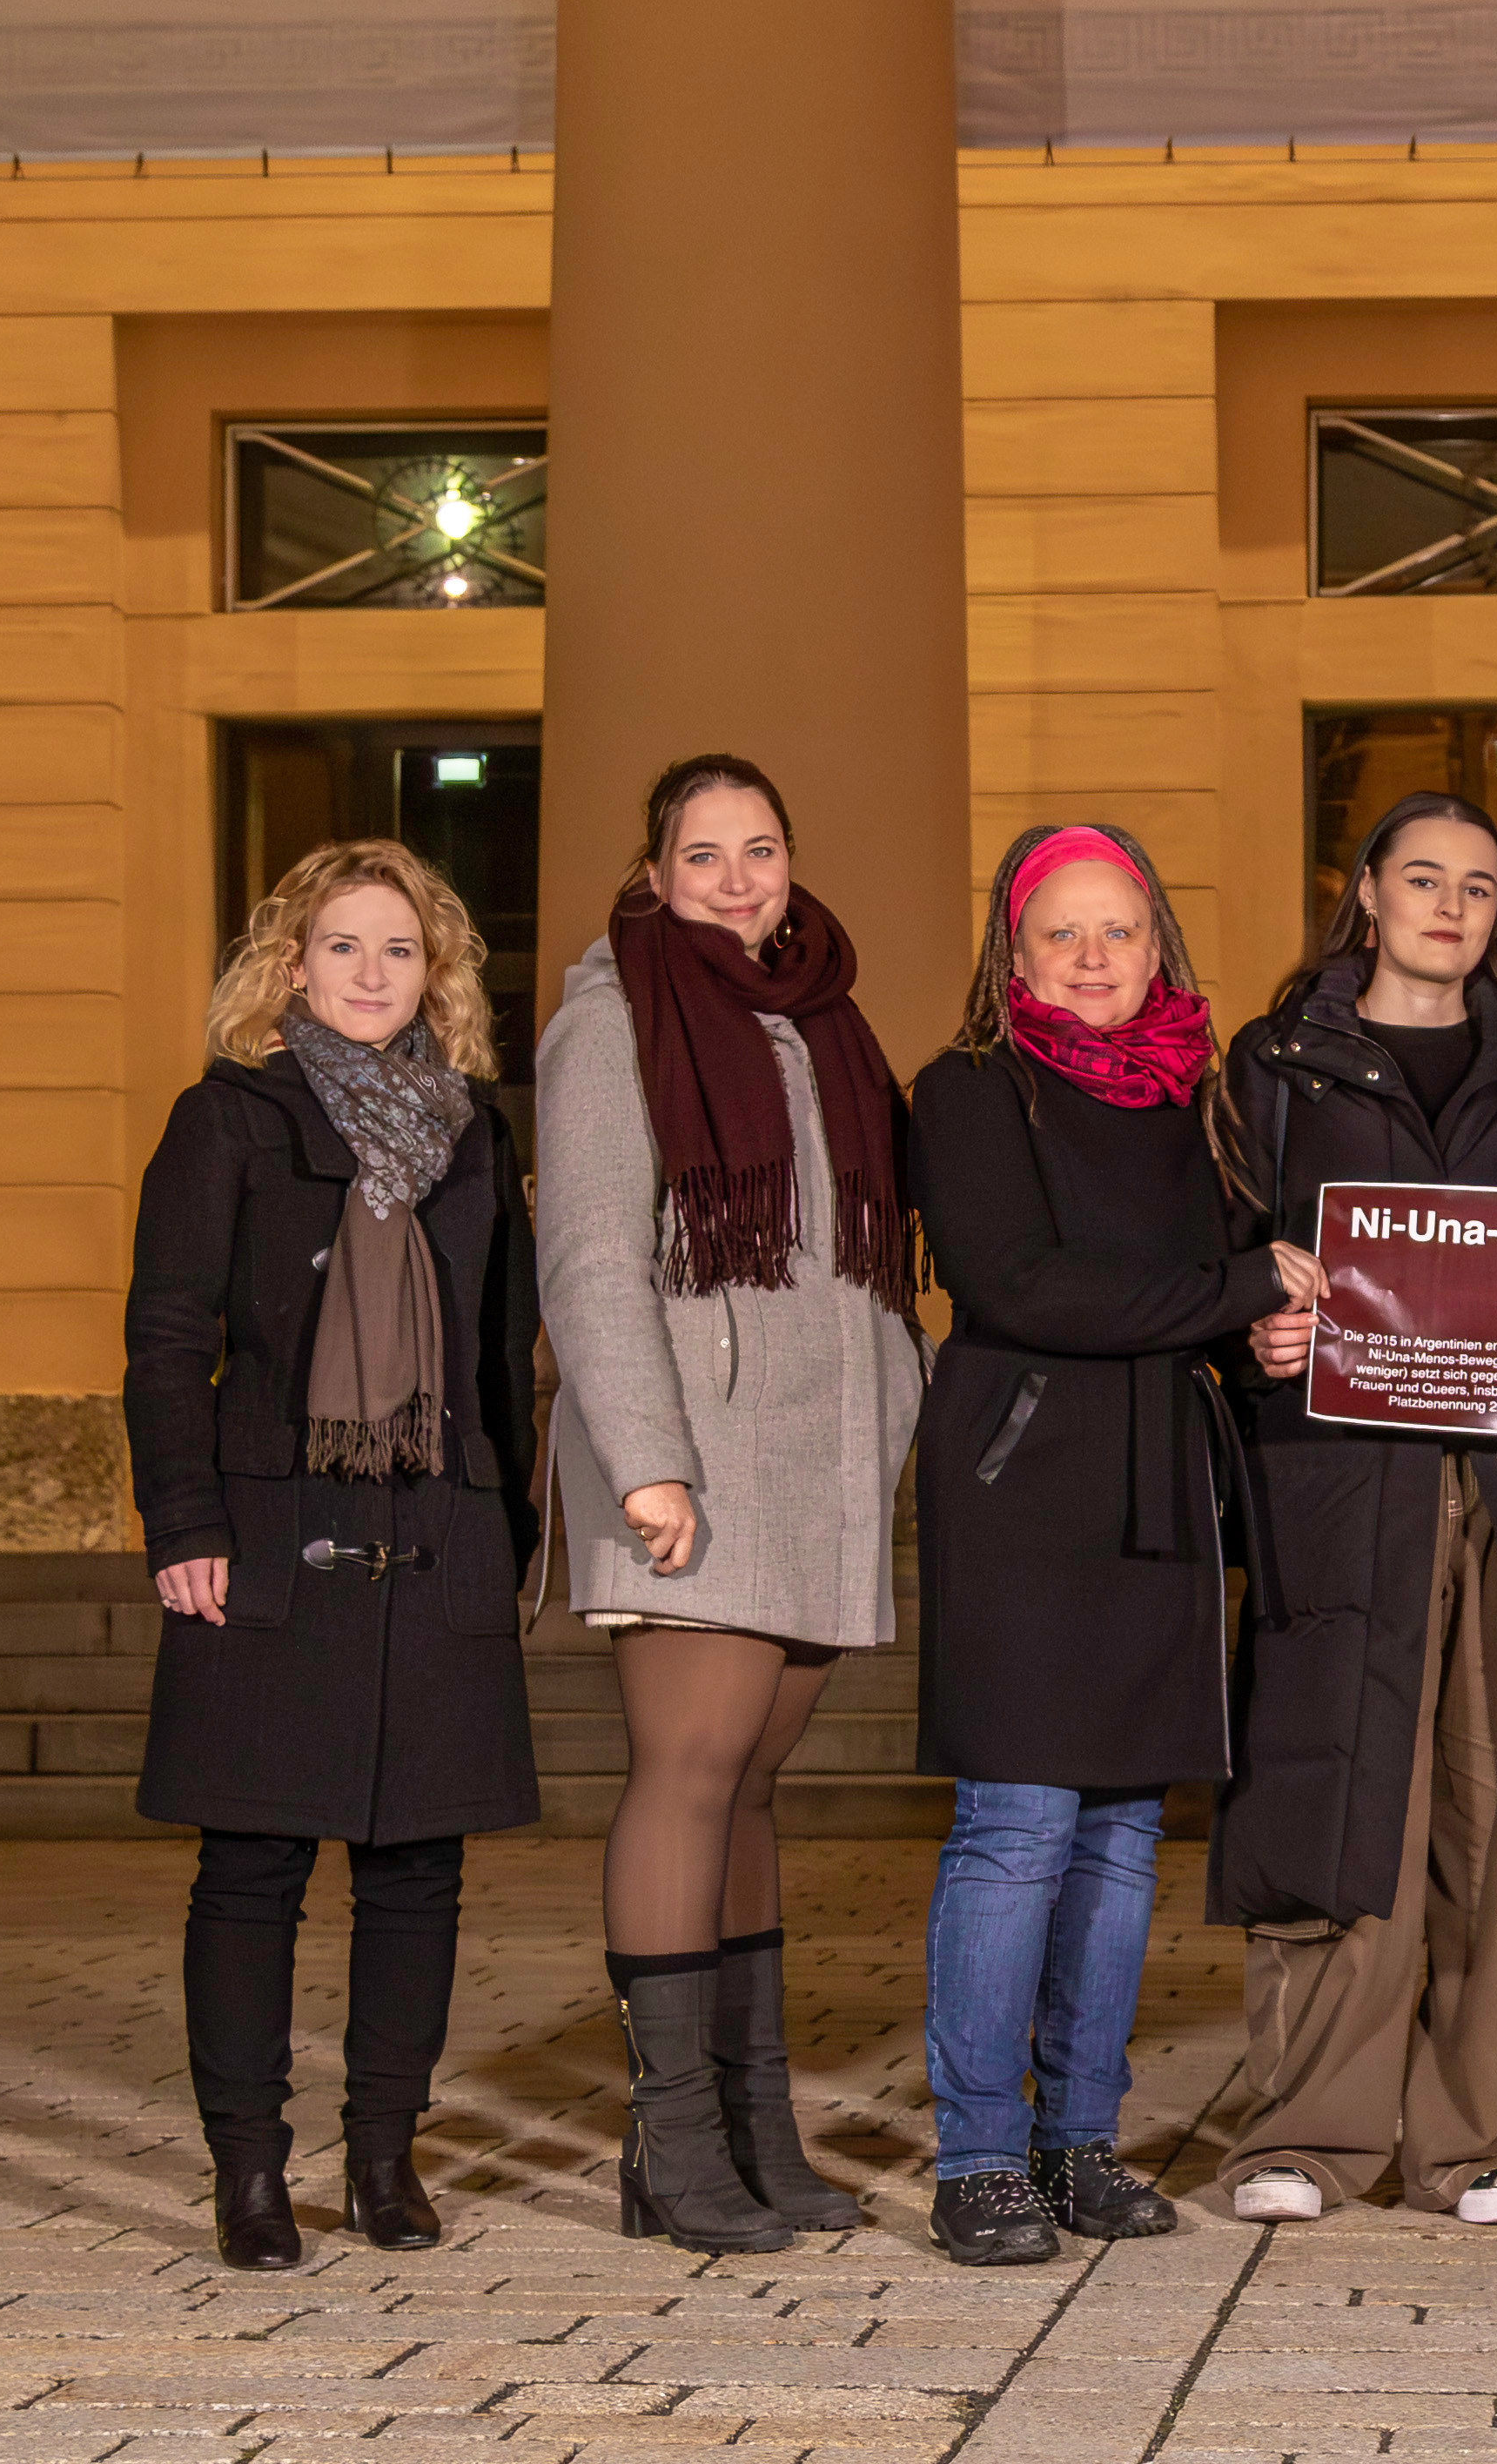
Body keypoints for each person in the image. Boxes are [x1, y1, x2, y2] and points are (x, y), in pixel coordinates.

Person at [1212, 791, 1497, 2227]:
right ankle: (1307, 2135)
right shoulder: (1278, 1068)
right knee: (1346, 1792)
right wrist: (1254, 1328)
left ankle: (1485, 2140)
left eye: (1478, 885)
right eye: (1423, 878)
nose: (1451, 906)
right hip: (1349, 1485)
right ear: (1366, 891)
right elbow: (1224, 1253)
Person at [907, 824, 1325, 2266]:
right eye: (1063, 934)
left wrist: (1266, 1330)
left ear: (1159, 946)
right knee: (1019, 1824)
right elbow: (1021, 1286)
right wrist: (1235, 1291)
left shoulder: (1199, 1102)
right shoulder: (968, 1089)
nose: (1094, 958)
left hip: (1158, 1482)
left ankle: (1079, 2141)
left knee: (1123, 1836)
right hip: (1021, 1489)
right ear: (1013, 955)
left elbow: (1235, 1289)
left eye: (1120, 931)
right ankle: (978, 2159)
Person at [126, 838, 540, 2271]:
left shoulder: (475, 1133)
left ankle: (383, 2158)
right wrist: (184, 1523)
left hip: (437, 1526)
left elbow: (501, 1349)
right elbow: (168, 1336)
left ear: (440, 974)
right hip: (270, 1528)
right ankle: (249, 2169)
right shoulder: (228, 1118)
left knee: (418, 1865)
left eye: (400, 949)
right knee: (252, 1864)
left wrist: (506, 1532)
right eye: (344, 946)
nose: (373, 973)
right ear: (290, 966)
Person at [539, 752, 923, 2253]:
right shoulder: (612, 1017)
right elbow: (589, 1254)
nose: (737, 879)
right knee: (688, 1773)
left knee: (751, 1789)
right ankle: (674, 2146)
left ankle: (760, 2134)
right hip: (693, 1459)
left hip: (816, 1463)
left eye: (759, 849)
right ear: (655, 874)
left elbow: (859, 1256)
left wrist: (893, 1403)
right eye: (703, 855)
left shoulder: (825, 1017)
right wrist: (647, 1458)